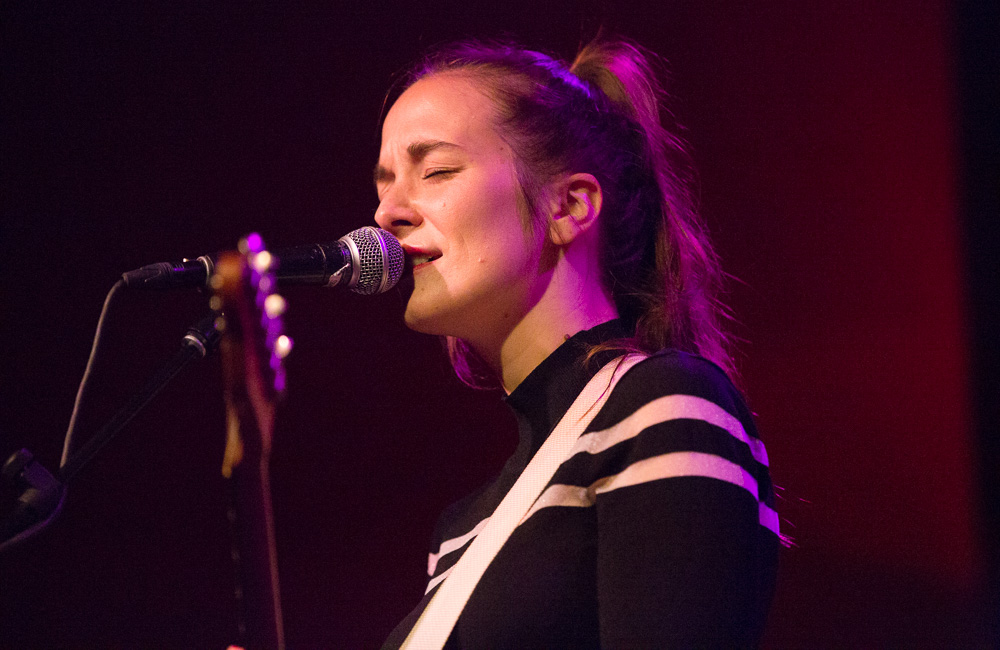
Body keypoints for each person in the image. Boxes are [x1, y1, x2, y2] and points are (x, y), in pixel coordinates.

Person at [373, 37, 779, 648]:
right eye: (384, 183)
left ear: (569, 206)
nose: (386, 212)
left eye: (436, 171)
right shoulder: (464, 528)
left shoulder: (662, 406)